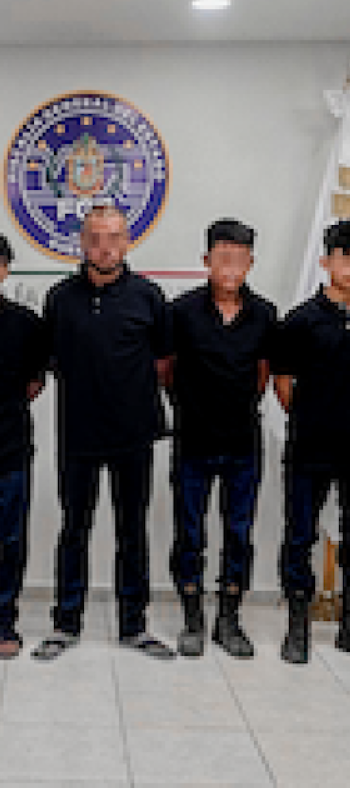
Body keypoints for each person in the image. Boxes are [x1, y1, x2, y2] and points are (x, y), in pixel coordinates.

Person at [33, 205, 174, 661]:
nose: (104, 247)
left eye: (113, 237)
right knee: (75, 528)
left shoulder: (149, 297)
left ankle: (134, 624)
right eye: (95, 237)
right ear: (81, 242)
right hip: (78, 433)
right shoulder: (59, 298)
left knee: (132, 530)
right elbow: (47, 362)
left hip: (133, 434)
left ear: (127, 240)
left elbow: (164, 364)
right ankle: (66, 623)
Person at [272, 218, 350, 666]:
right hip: (310, 446)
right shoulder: (301, 321)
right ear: (326, 262)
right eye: (343, 256)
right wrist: (319, 415)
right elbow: (283, 384)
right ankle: (297, 626)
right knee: (299, 535)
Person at [166, 219, 277, 659]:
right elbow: (167, 373)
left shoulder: (265, 313)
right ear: (206, 261)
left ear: (250, 263)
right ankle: (192, 616)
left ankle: (229, 617)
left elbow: (264, 376)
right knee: (189, 531)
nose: (230, 267)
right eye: (222, 257)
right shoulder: (181, 311)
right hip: (192, 439)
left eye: (239, 258)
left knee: (239, 531)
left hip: (242, 443)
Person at [0, 235, 47, 659]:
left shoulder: (26, 324)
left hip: (9, 450)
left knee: (9, 541)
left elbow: (34, 384)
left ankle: (3, 623)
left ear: (4, 269)